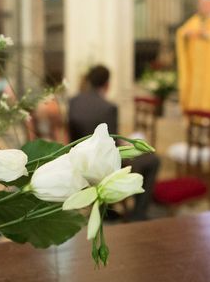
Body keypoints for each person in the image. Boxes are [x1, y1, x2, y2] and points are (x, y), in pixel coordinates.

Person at [68, 65, 160, 221]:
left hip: (79, 159)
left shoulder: (74, 101)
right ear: (107, 84)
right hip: (102, 165)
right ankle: (138, 214)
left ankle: (114, 209)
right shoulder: (108, 108)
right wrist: (128, 145)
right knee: (152, 160)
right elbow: (112, 145)